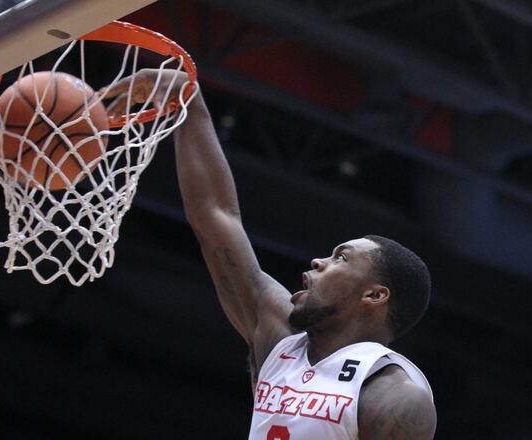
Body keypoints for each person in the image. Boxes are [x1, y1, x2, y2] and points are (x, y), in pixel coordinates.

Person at [104, 70, 437, 439]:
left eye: (341, 258)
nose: (318, 262)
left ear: (374, 296)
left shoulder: (394, 395)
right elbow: (214, 216)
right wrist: (189, 102)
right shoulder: (282, 339)